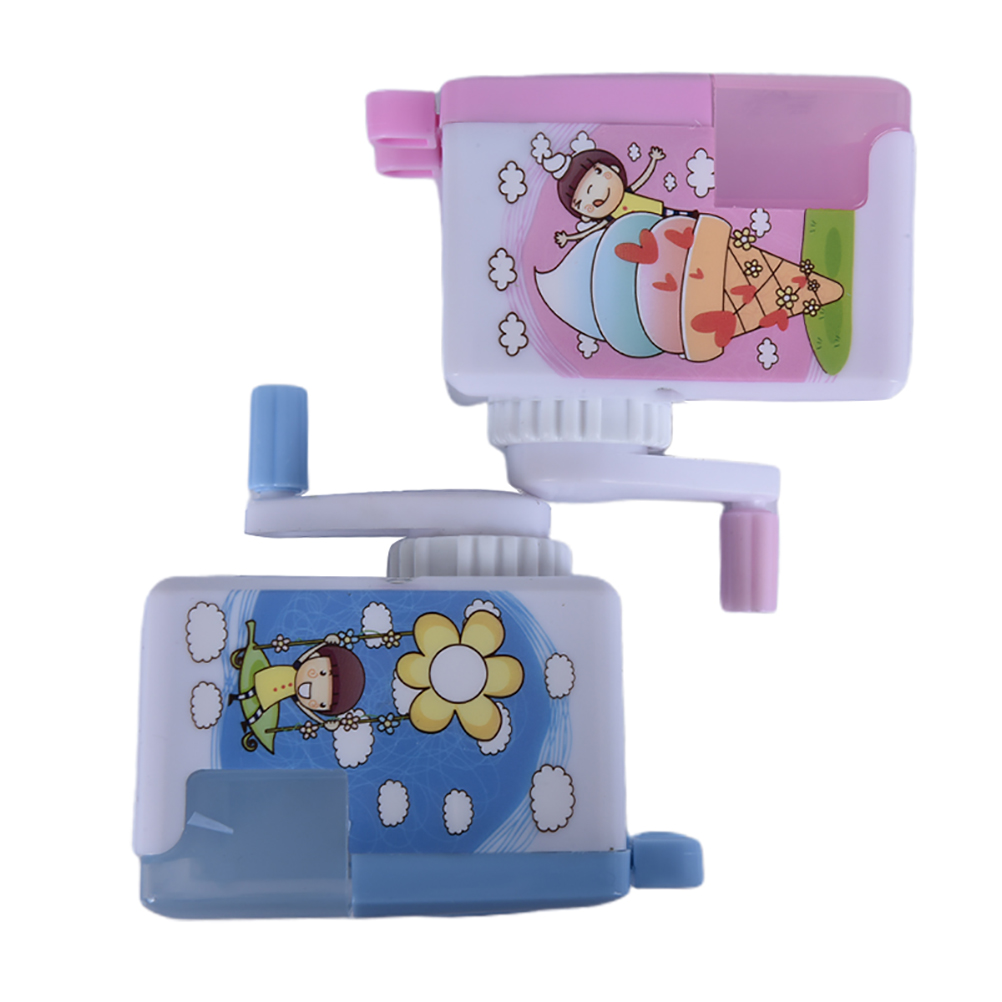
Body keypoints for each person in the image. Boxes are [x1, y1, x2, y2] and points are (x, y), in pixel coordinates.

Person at [554, 147, 694, 247]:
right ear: (585, 216)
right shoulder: (610, 219)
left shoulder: (627, 193)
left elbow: (643, 179)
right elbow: (589, 231)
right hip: (644, 232)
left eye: (599, 172)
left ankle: (691, 219)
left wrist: (653, 160)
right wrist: (568, 238)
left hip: (657, 211)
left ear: (614, 169)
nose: (593, 192)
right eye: (580, 203)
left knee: (676, 217)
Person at [229, 641, 365, 732]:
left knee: (263, 705)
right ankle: (236, 697)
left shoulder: (297, 699)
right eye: (322, 673)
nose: (313, 690)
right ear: (316, 656)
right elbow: (308, 653)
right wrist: (324, 643)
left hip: (278, 692)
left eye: (322, 704)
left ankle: (247, 722)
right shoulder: (298, 665)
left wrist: (323, 723)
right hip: (276, 676)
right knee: (255, 689)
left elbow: (308, 712)